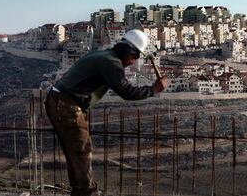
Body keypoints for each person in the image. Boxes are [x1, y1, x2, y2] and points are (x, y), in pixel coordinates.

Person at [44, 29, 167, 196]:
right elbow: (127, 92)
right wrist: (154, 89)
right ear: (128, 51)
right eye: (135, 56)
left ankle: (80, 191)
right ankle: (87, 192)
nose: (133, 61)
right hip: (66, 105)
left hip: (58, 101)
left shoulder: (102, 55)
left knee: (75, 152)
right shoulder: (111, 63)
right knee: (81, 151)